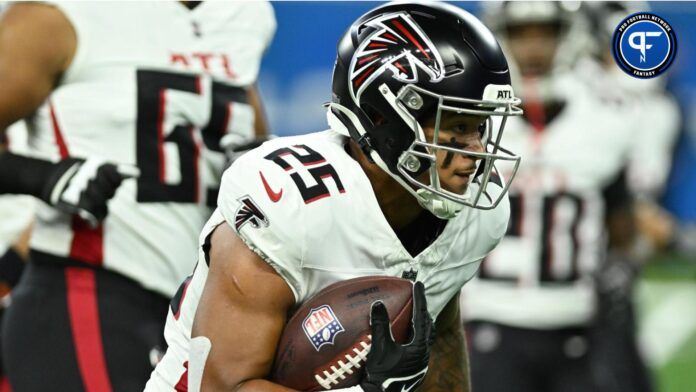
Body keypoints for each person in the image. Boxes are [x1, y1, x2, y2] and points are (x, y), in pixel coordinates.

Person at [146, 2, 523, 391]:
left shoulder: (475, 213)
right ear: (384, 119)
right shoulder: (288, 200)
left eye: (481, 127)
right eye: (457, 127)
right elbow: (223, 386)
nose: (475, 154)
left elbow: (438, 334)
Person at [0, 2, 274, 390]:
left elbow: (244, 125)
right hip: (85, 291)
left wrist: (256, 163)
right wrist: (45, 177)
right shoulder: (58, 15)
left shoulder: (242, 15)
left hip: (192, 310)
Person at [460, 2, 647, 392]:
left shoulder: (604, 122)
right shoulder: (471, 119)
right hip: (490, 316)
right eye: (521, 35)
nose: (534, 49)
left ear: (569, 37)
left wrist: (622, 267)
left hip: (576, 322)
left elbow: (623, 228)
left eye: (545, 33)